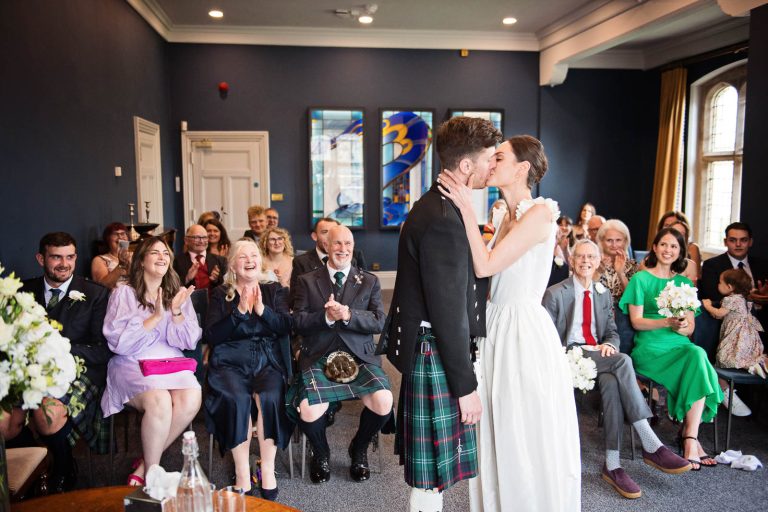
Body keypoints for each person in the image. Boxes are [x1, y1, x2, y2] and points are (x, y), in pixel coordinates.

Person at [438, 134, 580, 511]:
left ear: (521, 169)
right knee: (495, 426)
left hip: (522, 331)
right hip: (495, 324)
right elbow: (484, 273)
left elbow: (486, 265)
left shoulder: (540, 214)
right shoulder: (502, 213)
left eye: (499, 157)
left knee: (521, 429)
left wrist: (465, 208)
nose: (491, 162)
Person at [385, 116, 499, 512]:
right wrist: (465, 387)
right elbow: (448, 312)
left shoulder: (442, 207)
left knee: (434, 471)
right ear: (466, 166)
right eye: (488, 159)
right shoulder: (443, 219)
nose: (493, 167)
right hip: (436, 349)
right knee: (431, 477)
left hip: (432, 348)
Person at [543, 239, 691, 499]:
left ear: (599, 261)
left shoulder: (602, 293)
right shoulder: (556, 293)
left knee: (612, 380)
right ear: (572, 260)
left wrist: (610, 344)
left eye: (591, 256)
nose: (586, 261)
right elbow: (545, 336)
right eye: (580, 257)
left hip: (597, 354)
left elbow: (611, 331)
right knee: (623, 361)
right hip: (566, 355)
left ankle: (612, 464)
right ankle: (649, 441)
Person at [292, 225, 392, 484]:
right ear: (326, 245)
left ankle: (358, 449)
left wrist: (348, 315)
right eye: (337, 243)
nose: (343, 249)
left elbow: (380, 321)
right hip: (319, 355)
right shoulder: (307, 280)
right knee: (309, 410)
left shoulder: (369, 280)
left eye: (348, 244)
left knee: (383, 401)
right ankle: (321, 452)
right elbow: (298, 322)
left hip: (360, 356)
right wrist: (325, 317)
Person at [101, 236, 202, 486]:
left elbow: (189, 341)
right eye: (155, 253)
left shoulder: (177, 294)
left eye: (166, 253)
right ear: (142, 261)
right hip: (131, 362)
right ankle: (152, 475)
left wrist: (176, 311)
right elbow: (117, 343)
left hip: (170, 362)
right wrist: (155, 317)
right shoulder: (123, 293)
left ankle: (147, 464)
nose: (162, 257)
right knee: (160, 401)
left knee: (192, 396)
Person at [619, 227, 723, 470]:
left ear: (680, 252)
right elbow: (637, 321)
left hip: (678, 343)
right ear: (655, 248)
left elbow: (690, 329)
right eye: (664, 245)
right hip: (651, 347)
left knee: (696, 354)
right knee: (697, 360)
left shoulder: (684, 283)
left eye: (674, 246)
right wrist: (665, 321)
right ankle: (689, 438)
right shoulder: (640, 280)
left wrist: (682, 325)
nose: (668, 250)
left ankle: (690, 436)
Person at [20, 232, 111, 492]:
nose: (64, 264)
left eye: (70, 257)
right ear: (41, 258)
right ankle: (33, 464)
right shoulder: (23, 292)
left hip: (79, 372)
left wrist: (60, 350)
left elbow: (103, 350)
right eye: (56, 257)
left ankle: (62, 465)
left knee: (45, 414)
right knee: (7, 420)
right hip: (29, 370)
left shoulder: (95, 294)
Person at [204, 239, 293, 500]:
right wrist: (240, 311)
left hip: (267, 359)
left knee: (269, 396)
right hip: (229, 362)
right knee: (236, 398)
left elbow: (286, 326)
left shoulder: (274, 290)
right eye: (243, 256)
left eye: (254, 255)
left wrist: (261, 310)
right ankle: (242, 471)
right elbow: (212, 335)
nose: (250, 260)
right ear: (232, 263)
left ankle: (267, 469)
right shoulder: (221, 294)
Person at [698, 222, 768, 415]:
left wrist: (761, 297)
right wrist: (749, 298)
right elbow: (713, 295)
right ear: (725, 241)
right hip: (724, 324)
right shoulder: (714, 265)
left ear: (750, 242)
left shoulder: (762, 265)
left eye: (743, 240)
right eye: (733, 240)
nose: (738, 244)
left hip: (757, 322)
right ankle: (724, 387)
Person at [703, 269, 766, 377]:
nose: (718, 285)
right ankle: (752, 366)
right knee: (741, 355)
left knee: (727, 356)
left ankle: (752, 366)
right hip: (747, 333)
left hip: (737, 334)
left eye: (720, 282)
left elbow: (719, 314)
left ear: (729, 287)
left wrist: (707, 306)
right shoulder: (741, 299)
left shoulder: (730, 299)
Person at [174, 224, 227, 292]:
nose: (201, 241)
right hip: (188, 301)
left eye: (204, 237)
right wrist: (187, 279)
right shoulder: (176, 261)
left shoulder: (220, 261)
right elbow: (171, 287)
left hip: (213, 301)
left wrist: (216, 280)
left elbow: (227, 289)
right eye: (197, 237)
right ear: (186, 240)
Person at [658, 211, 702, 278]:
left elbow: (695, 279)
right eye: (666, 225)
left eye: (674, 224)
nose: (670, 229)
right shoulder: (658, 246)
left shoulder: (692, 248)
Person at [91, 222, 131, 288]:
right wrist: (121, 266)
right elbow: (102, 286)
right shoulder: (100, 260)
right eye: (115, 234)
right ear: (108, 239)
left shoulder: (135, 257)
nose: (120, 237)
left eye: (123, 234)